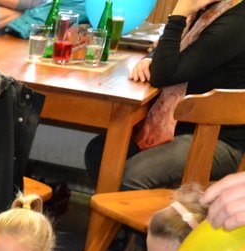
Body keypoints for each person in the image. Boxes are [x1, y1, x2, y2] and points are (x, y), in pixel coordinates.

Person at [85, 0, 245, 191]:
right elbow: (175, 49)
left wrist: (179, 14)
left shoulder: (235, 22)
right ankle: (130, 209)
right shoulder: (210, 10)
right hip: (182, 126)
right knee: (100, 151)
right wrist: (149, 59)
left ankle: (147, 209)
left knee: (131, 176)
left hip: (215, 139)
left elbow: (165, 74)